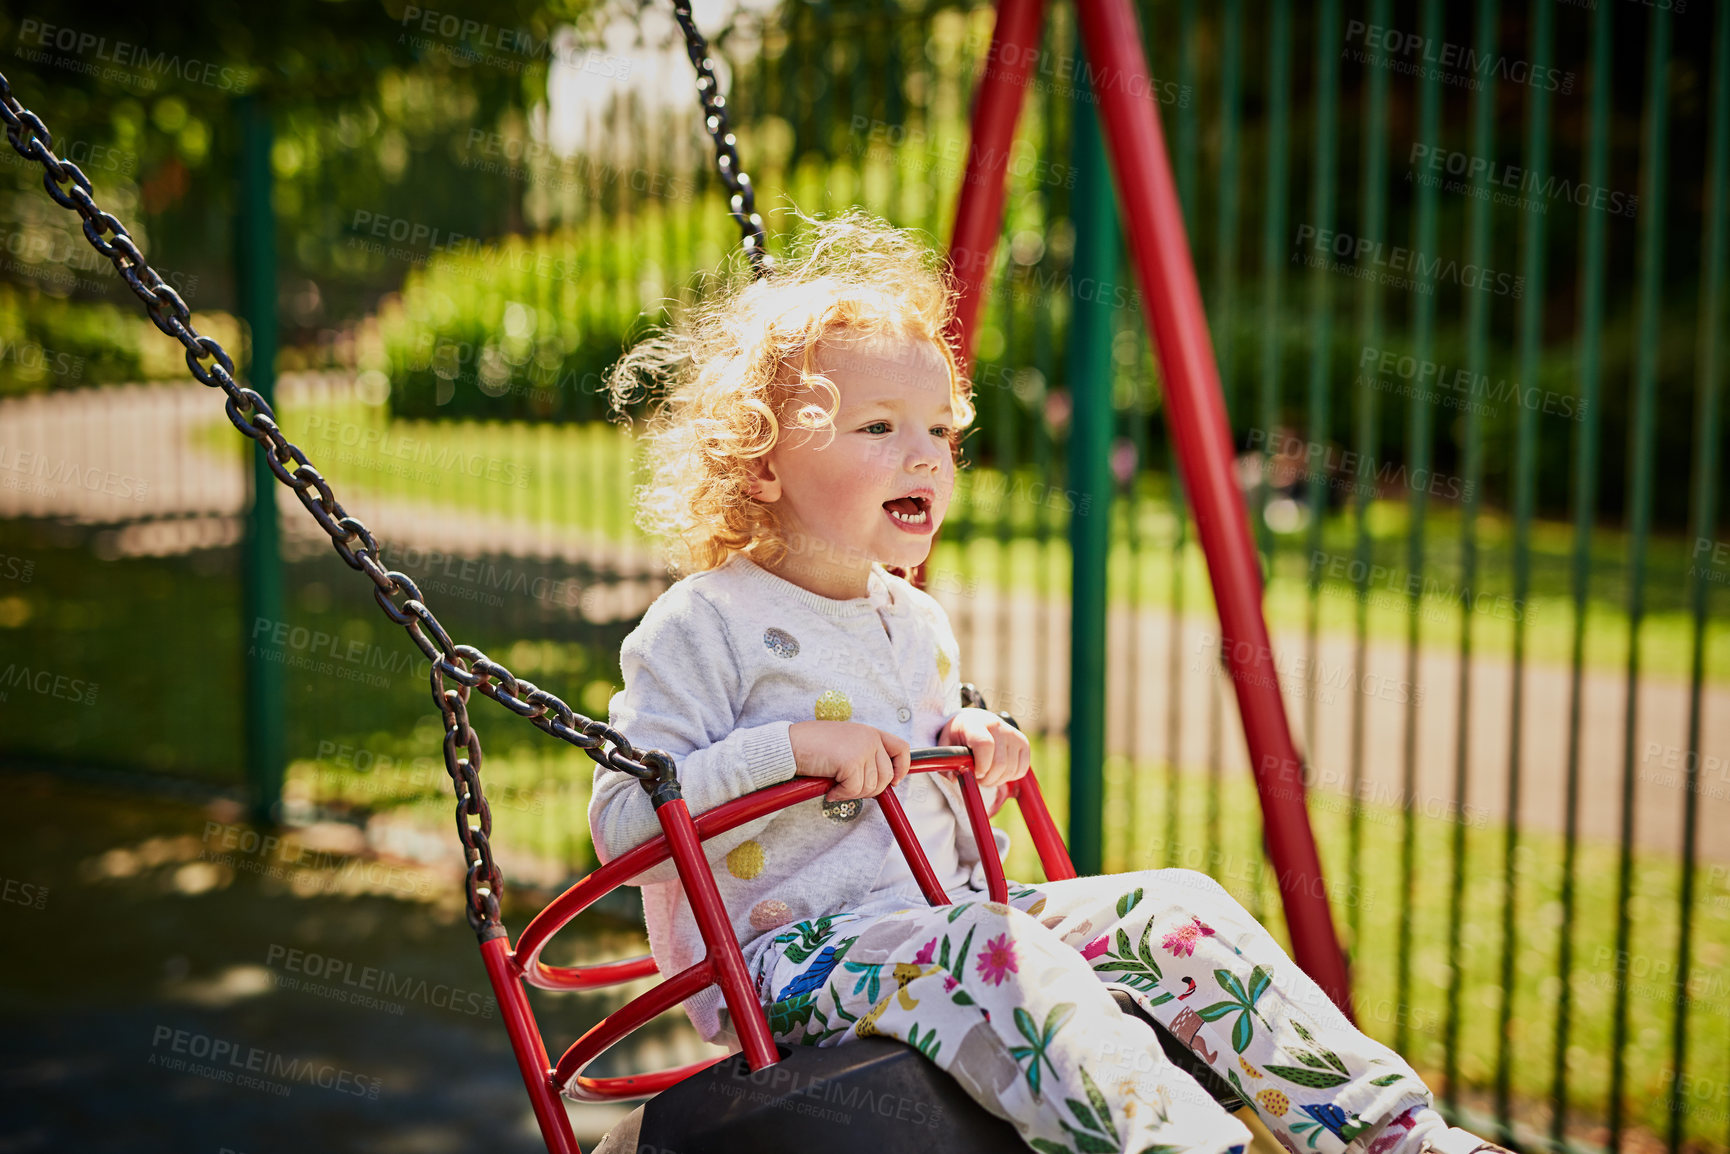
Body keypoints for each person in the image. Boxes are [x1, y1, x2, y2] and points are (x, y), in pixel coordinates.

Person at [589, 212, 1504, 1154]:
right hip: (789, 960)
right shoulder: (705, 623)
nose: (925, 457)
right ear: (764, 458)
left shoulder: (914, 620)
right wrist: (787, 752)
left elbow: (931, 765)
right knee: (992, 949)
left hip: (949, 918)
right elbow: (624, 823)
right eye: (879, 427)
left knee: (1168, 906)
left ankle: (1394, 1135)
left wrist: (974, 745)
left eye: (940, 431)